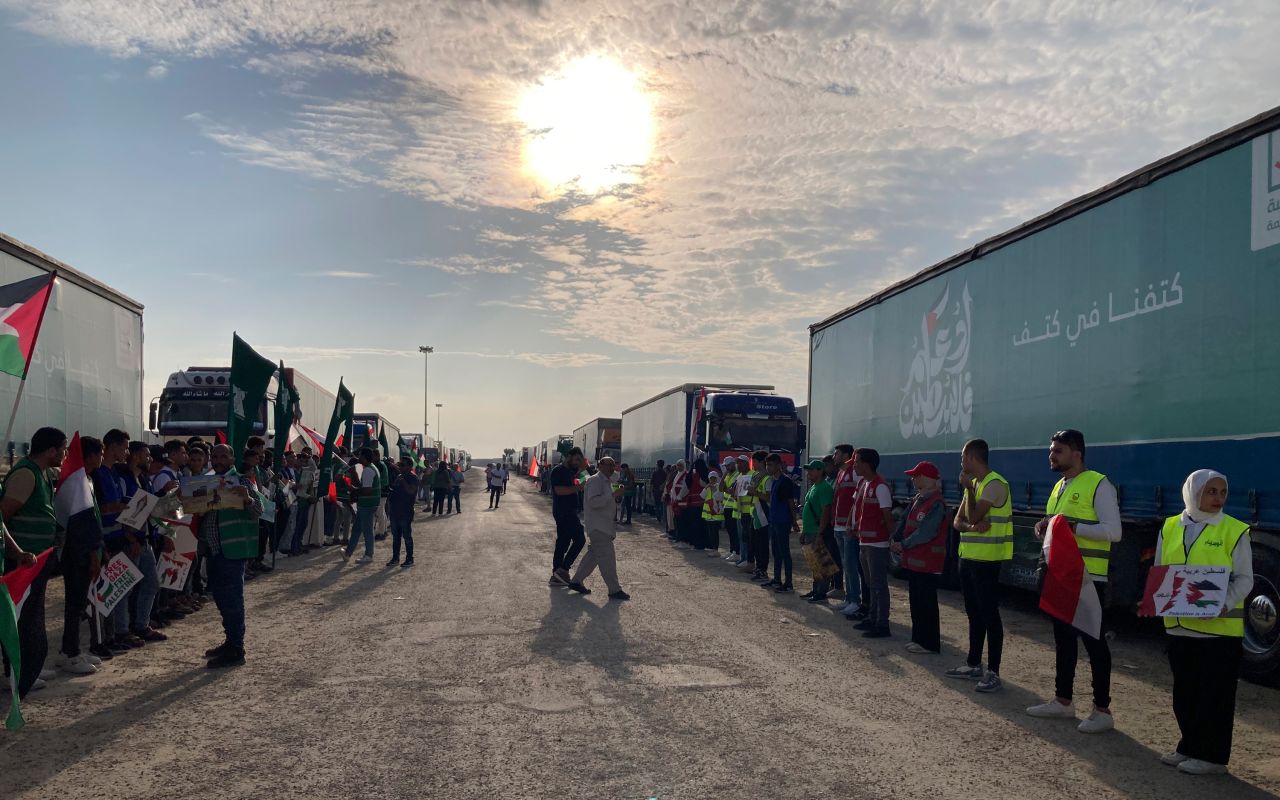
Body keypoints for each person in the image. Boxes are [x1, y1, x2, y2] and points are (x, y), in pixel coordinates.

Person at [1157, 470, 1253, 775]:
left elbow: (1245, 580)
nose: (1218, 498)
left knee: (1215, 696)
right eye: (1211, 491)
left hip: (1218, 631)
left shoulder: (1234, 531)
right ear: (1192, 492)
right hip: (1180, 626)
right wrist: (1153, 599)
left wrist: (1223, 604)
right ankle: (1189, 746)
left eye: (1222, 492)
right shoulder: (1170, 526)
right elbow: (1161, 571)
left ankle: (1213, 758)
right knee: (1185, 692)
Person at [1026, 429, 1122, 734]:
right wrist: (1045, 525)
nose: (1051, 455)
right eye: (1051, 450)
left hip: (1088, 578)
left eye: (1058, 451)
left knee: (1094, 643)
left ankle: (1102, 709)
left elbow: (1114, 532)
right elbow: (1059, 526)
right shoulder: (1059, 486)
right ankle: (1063, 701)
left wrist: (1074, 526)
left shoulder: (1099, 484)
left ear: (1076, 453)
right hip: (1060, 577)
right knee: (1063, 641)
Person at [1, 426, 67, 693]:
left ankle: (29, 667)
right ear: (51, 450)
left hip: (37, 560)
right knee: (21, 619)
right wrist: (16, 553)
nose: (64, 454)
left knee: (31, 617)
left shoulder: (42, 473)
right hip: (22, 563)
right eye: (62, 449)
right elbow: (2, 517)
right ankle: (16, 673)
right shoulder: (26, 474)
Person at [946, 438, 1011, 693]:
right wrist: (973, 526)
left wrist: (970, 493)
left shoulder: (994, 484)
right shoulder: (973, 485)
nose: (961, 463)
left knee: (989, 615)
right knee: (973, 613)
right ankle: (974, 663)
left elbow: (971, 515)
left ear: (972, 458)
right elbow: (958, 522)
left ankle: (993, 671)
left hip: (988, 560)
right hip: (969, 557)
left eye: (963, 457)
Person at [199, 444, 263, 668]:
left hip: (232, 551)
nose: (218, 460)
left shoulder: (241, 481)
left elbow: (258, 511)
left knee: (233, 599)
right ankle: (231, 640)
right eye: (214, 456)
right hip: (214, 550)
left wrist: (247, 500)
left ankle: (237, 647)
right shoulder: (206, 483)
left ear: (232, 458)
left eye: (223, 455)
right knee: (221, 598)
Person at [59, 435, 106, 675]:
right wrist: (92, 556)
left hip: (86, 552)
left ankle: (72, 649)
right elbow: (82, 527)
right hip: (78, 554)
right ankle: (71, 654)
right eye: (99, 453)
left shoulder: (86, 478)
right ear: (88, 456)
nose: (102, 457)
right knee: (75, 605)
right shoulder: (78, 481)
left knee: (79, 605)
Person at [891, 462, 948, 654]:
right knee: (916, 601)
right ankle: (919, 639)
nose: (912, 479)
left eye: (916, 476)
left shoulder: (936, 503)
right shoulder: (918, 498)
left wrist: (903, 544)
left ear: (926, 478)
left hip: (928, 562)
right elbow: (904, 520)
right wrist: (896, 539)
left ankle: (929, 643)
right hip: (915, 561)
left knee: (927, 603)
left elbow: (927, 532)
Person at [566, 457, 629, 600]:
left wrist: (615, 495)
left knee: (593, 556)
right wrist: (612, 494)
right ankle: (614, 590)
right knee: (607, 559)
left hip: (603, 526)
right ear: (600, 466)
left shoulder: (607, 481)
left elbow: (607, 499)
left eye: (613, 465)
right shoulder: (595, 481)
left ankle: (576, 581)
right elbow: (594, 502)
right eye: (608, 465)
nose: (611, 468)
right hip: (599, 526)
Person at [852, 448, 893, 638]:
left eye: (857, 461)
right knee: (870, 583)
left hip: (877, 544)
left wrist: (889, 538)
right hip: (865, 542)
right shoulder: (866, 484)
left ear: (867, 464)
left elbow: (887, 517)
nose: (855, 465)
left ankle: (882, 624)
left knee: (878, 585)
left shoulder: (880, 486)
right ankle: (872, 618)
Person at [831, 444, 865, 619]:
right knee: (845, 564)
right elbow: (837, 498)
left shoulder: (854, 472)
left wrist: (852, 524)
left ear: (846, 455)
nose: (833, 456)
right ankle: (848, 597)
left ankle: (854, 600)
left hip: (848, 527)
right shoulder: (842, 473)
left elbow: (857, 501)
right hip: (838, 525)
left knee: (851, 565)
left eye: (836, 453)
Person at [549, 447, 587, 586]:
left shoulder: (571, 471)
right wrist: (577, 487)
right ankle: (562, 570)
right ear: (569, 456)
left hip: (569, 511)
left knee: (563, 542)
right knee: (580, 539)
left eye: (579, 460)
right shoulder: (558, 471)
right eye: (576, 459)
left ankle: (557, 575)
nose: (577, 462)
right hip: (563, 512)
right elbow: (559, 490)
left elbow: (587, 481)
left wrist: (584, 468)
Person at [798, 459, 835, 602]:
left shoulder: (824, 488)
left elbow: (826, 511)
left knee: (822, 563)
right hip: (810, 531)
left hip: (817, 531)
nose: (809, 473)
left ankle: (821, 592)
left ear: (820, 471)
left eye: (811, 470)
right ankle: (816, 589)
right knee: (814, 563)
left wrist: (820, 532)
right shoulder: (814, 486)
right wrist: (804, 531)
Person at [763, 454, 798, 592]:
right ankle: (777, 579)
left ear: (779, 465)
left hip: (783, 521)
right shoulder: (774, 481)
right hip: (774, 520)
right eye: (767, 465)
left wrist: (794, 521)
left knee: (784, 552)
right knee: (776, 551)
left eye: (770, 465)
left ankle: (788, 583)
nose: (768, 467)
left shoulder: (785, 481)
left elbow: (790, 502)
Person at [342, 447, 381, 564]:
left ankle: (369, 555)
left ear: (364, 457)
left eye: (360, 455)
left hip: (367, 505)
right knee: (356, 530)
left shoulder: (368, 470)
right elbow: (364, 487)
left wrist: (354, 491)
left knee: (367, 531)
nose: (358, 458)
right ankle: (348, 553)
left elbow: (367, 491)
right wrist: (354, 488)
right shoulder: (370, 468)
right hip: (366, 504)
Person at [386, 456, 420, 568]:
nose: (400, 467)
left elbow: (411, 491)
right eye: (399, 464)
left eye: (403, 465)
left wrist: (403, 481)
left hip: (406, 511)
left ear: (410, 467)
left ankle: (410, 559)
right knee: (396, 537)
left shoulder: (413, 477)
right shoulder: (399, 476)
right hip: (395, 511)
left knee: (407, 536)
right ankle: (395, 558)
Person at [732, 455, 754, 569]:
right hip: (740, 512)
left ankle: (747, 559)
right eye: (737, 463)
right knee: (741, 536)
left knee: (746, 537)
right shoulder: (739, 476)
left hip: (748, 512)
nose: (738, 465)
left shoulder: (751, 476)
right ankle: (743, 558)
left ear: (746, 463)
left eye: (740, 463)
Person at [718, 458, 739, 560]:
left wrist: (726, 489)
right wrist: (724, 474)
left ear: (733, 464)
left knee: (734, 531)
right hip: (727, 506)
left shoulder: (737, 474)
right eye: (725, 466)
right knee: (730, 530)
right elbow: (721, 488)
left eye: (728, 466)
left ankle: (736, 552)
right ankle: (732, 550)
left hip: (733, 507)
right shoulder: (728, 475)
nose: (726, 467)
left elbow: (731, 491)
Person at [700, 470, 725, 556]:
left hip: (716, 514)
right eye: (711, 478)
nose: (712, 480)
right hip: (708, 514)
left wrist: (714, 489)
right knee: (710, 532)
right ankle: (713, 548)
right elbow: (702, 496)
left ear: (717, 478)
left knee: (715, 532)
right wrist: (706, 488)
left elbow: (720, 497)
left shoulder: (719, 487)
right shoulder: (707, 487)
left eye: (714, 478)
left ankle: (715, 549)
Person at [649, 460, 668, 525]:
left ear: (657, 464)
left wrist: (650, 491)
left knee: (657, 505)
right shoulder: (665, 473)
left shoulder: (655, 472)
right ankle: (662, 517)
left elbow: (651, 483)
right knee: (662, 504)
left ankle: (658, 518)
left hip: (656, 491)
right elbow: (666, 482)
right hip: (662, 491)